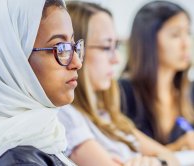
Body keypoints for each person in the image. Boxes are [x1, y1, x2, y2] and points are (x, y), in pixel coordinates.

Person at [0, 0, 84, 165]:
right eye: (60, 48)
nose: (77, 62)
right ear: (12, 61)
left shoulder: (42, 135)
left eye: (72, 46)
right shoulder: (17, 160)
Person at [58, 1, 178, 166]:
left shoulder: (105, 114)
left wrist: (156, 161)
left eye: (116, 46)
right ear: (76, 50)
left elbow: (168, 156)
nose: (117, 59)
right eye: (106, 47)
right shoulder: (66, 115)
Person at [119, 0, 194, 151]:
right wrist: (176, 147)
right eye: (175, 35)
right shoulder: (122, 93)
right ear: (149, 41)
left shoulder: (190, 91)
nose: (186, 43)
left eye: (188, 33)